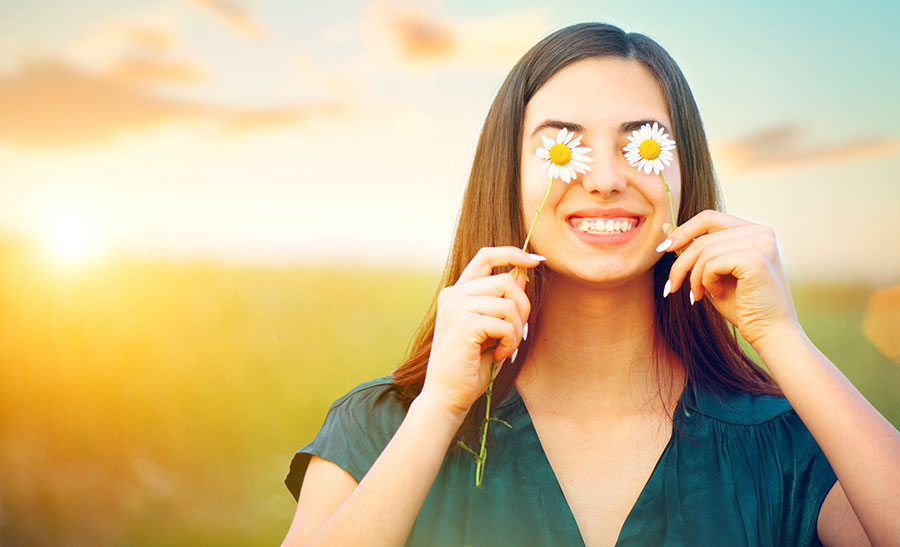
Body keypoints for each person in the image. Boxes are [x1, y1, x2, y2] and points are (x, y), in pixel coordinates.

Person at [281, 22, 899, 546]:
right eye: (560, 145)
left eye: (643, 146)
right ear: (507, 173)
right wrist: (440, 409)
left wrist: (781, 335)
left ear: (687, 175)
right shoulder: (382, 426)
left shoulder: (787, 444)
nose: (604, 177)